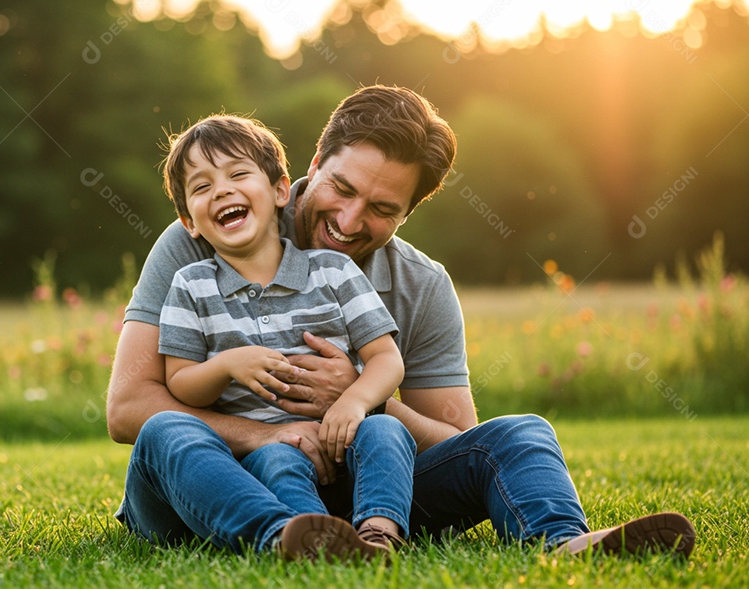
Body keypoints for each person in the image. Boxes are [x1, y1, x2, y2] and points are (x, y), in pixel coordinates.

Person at [107, 85, 695, 559]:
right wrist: (266, 435)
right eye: (341, 188)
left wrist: (364, 398)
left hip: (360, 490)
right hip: (208, 492)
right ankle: (280, 537)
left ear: (409, 212)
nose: (347, 220)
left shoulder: (422, 285)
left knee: (521, 433)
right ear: (313, 164)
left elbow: (457, 446)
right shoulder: (205, 236)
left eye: (381, 208)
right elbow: (129, 407)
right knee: (165, 432)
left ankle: (563, 543)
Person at [156, 114, 413, 557]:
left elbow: (386, 359)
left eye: (238, 174)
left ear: (280, 191)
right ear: (189, 221)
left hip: (343, 436)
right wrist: (226, 365)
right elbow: (180, 382)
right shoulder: (190, 285)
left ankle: (379, 533)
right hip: (266, 451)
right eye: (202, 187)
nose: (221, 191)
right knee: (278, 459)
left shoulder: (334, 270)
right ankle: (314, 542)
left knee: (387, 430)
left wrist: (354, 401)